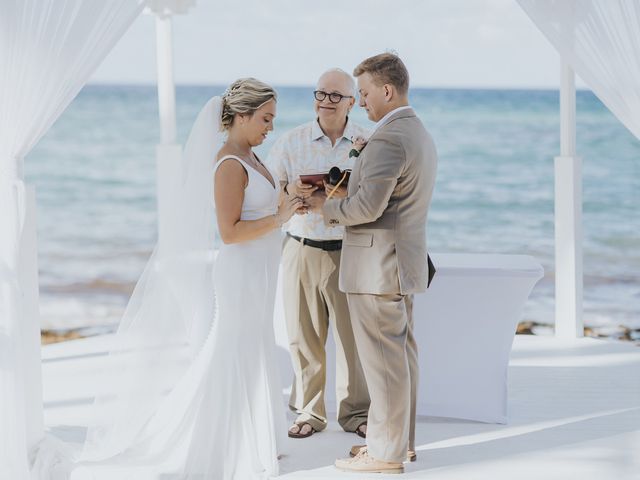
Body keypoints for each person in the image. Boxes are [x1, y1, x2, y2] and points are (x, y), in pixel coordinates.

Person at [75, 78, 304, 479]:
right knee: (234, 351)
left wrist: (291, 201)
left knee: (254, 348)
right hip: (240, 274)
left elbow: (264, 214)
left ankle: (257, 436)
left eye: (273, 120)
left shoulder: (253, 157)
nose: (271, 127)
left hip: (260, 272)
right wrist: (280, 217)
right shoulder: (229, 163)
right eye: (265, 119)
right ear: (242, 116)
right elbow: (231, 232)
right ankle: (227, 443)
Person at [306, 53, 438, 474]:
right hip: (401, 263)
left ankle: (384, 453)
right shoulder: (416, 131)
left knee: (384, 366)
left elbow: (366, 207)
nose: (361, 102)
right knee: (401, 360)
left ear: (386, 90)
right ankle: (400, 444)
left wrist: (323, 206)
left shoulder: (389, 137)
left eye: (363, 93)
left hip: (378, 267)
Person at [268, 68, 370, 440]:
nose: (326, 102)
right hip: (302, 247)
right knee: (303, 336)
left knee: (353, 339)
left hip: (350, 249)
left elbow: (377, 197)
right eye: (321, 94)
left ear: (352, 101)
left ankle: (357, 412)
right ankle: (310, 412)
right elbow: (270, 195)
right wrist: (290, 189)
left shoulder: (367, 140)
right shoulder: (290, 141)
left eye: (335, 96)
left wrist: (341, 195)